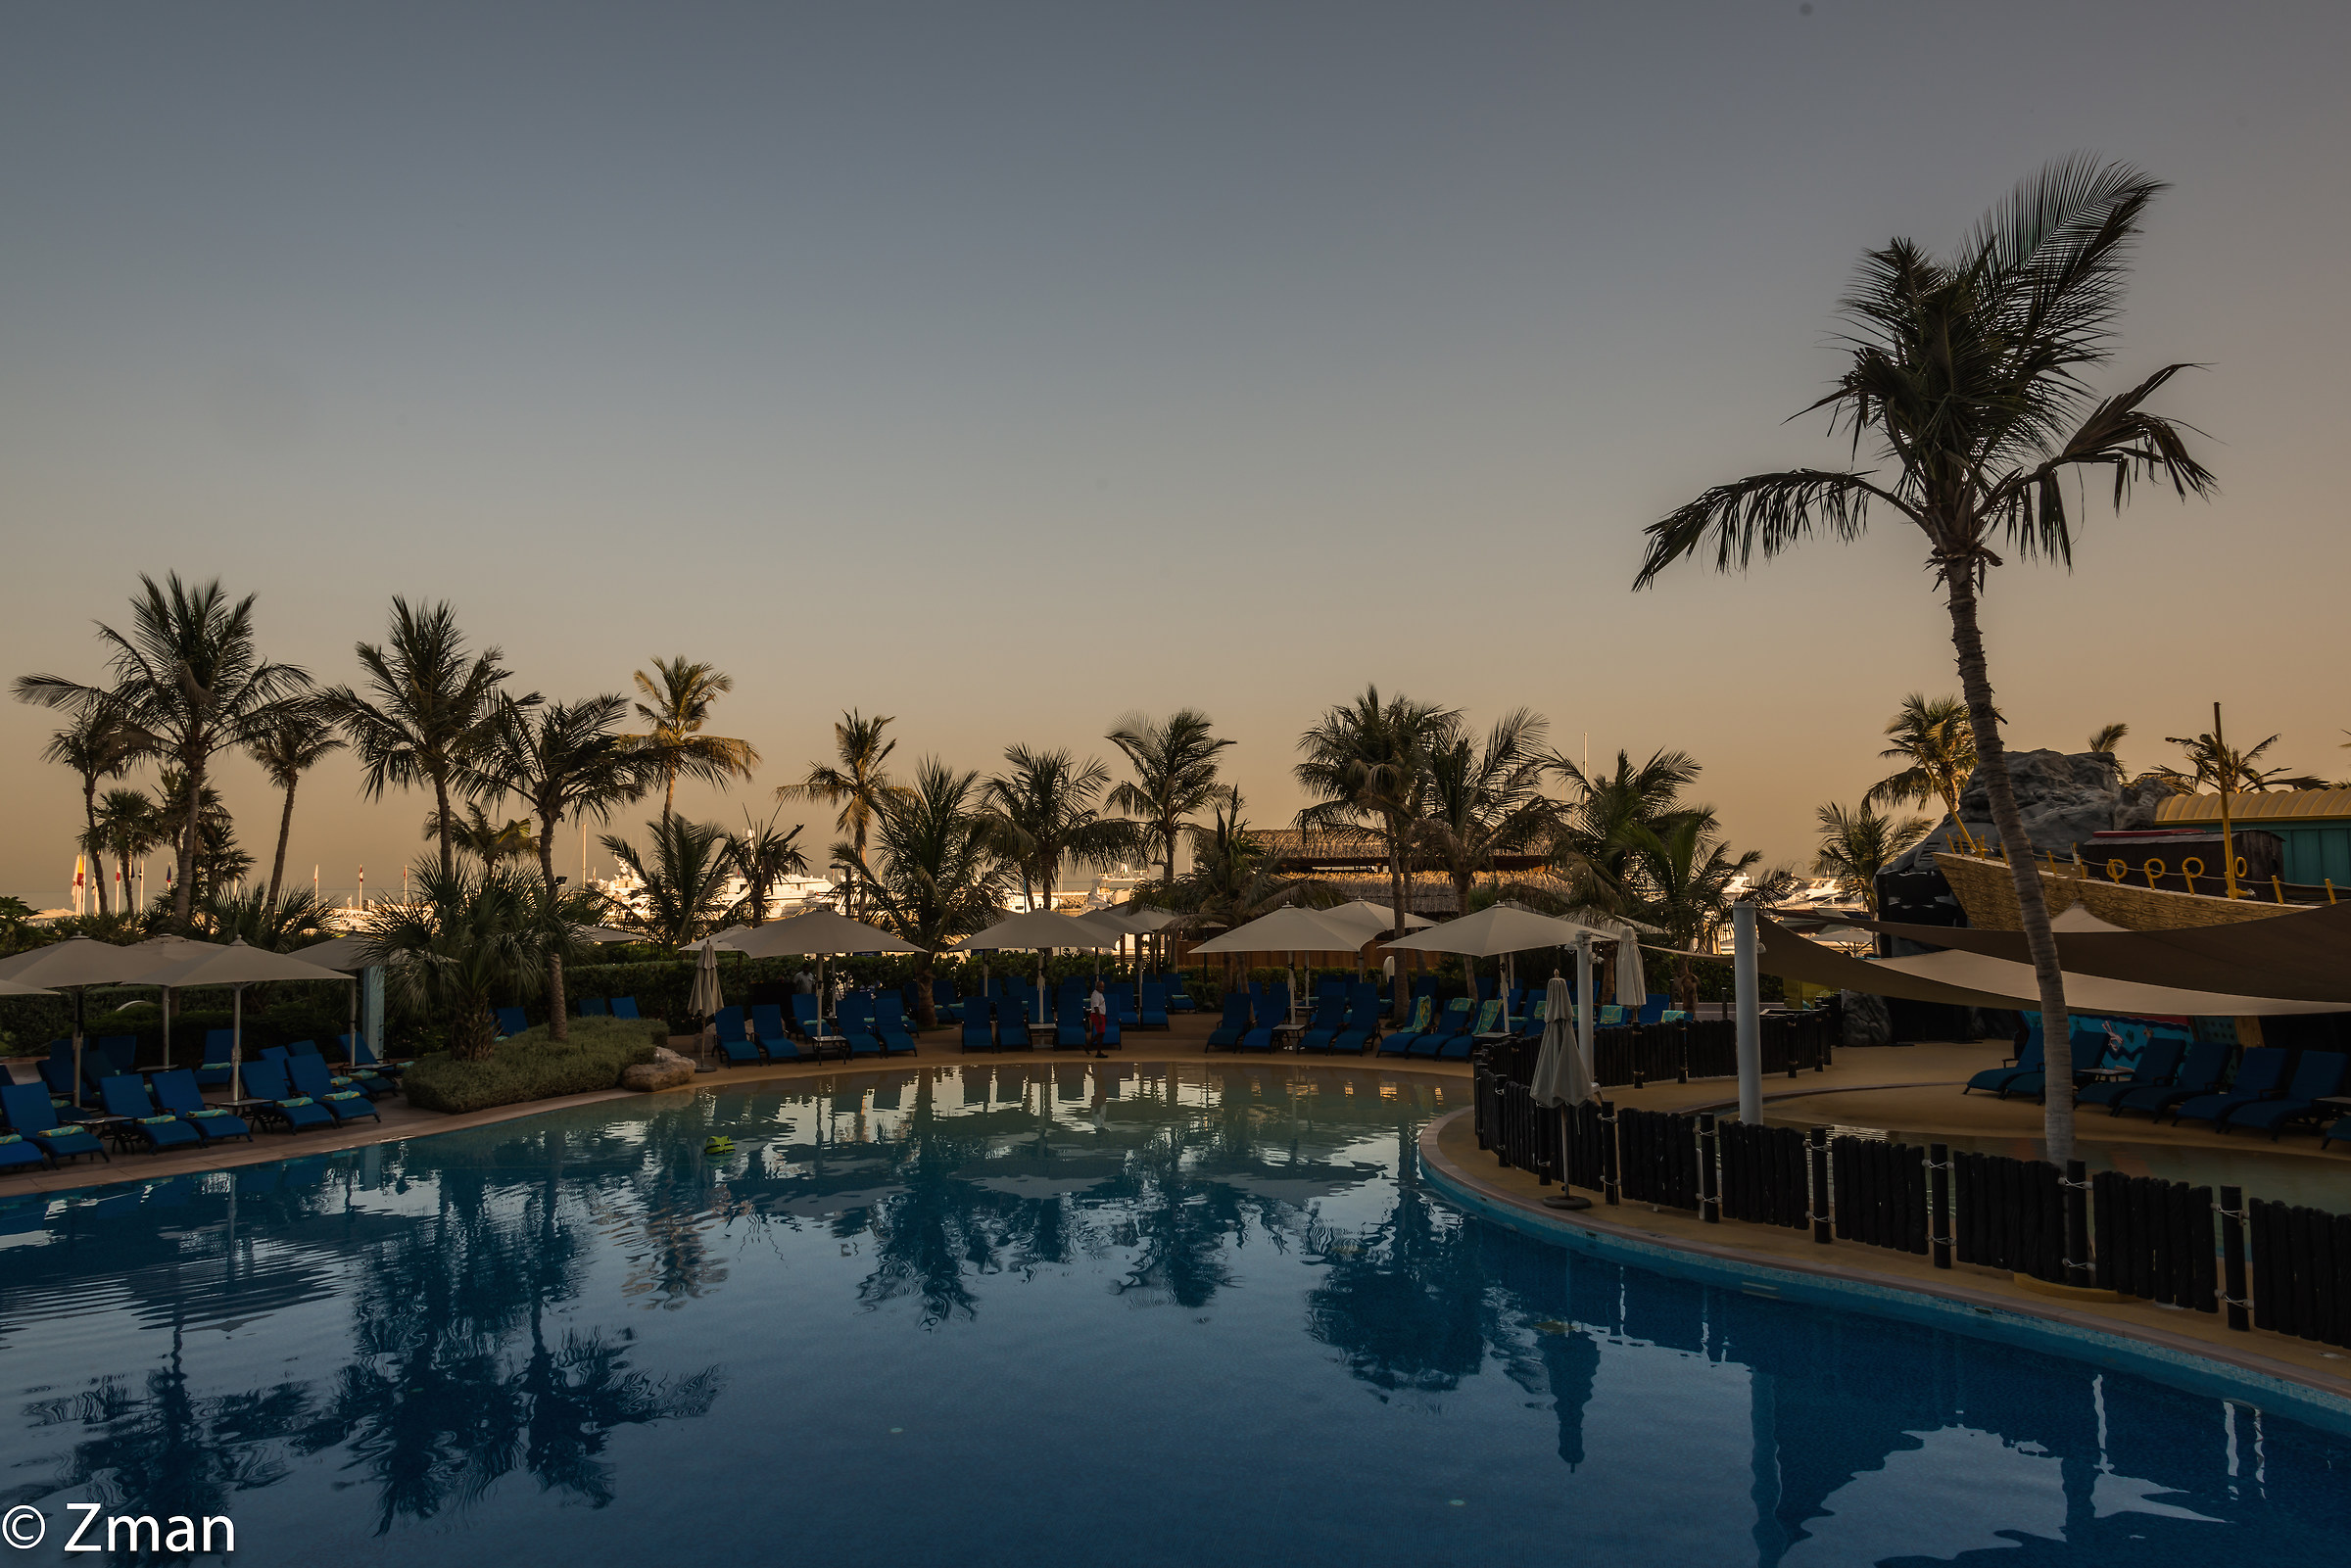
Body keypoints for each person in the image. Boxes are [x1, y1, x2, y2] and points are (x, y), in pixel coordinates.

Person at [1086, 979, 1109, 1058]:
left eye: (1103, 987)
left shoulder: (1100, 994)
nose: (1102, 989)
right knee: (1101, 1034)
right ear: (1097, 987)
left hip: (1101, 1015)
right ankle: (1097, 1052)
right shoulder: (1095, 995)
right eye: (1100, 987)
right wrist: (1099, 1018)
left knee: (1101, 1034)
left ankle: (1089, 1045)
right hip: (1097, 1015)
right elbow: (1096, 1007)